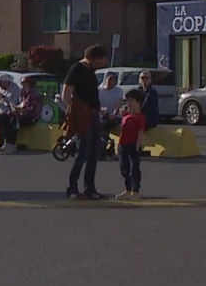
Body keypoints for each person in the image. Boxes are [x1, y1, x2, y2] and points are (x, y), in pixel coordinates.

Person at [62, 43, 110, 199]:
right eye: (98, 63)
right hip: (84, 116)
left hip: (95, 114)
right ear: (90, 58)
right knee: (82, 152)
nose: (100, 66)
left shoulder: (91, 72)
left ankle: (90, 188)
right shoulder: (76, 70)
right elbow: (66, 95)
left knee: (93, 154)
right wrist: (76, 110)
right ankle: (72, 188)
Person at [115, 88, 147, 200]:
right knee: (124, 168)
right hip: (122, 145)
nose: (129, 103)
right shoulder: (126, 115)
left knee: (134, 168)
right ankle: (128, 189)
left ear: (138, 102)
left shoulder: (140, 117)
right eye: (127, 100)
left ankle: (135, 190)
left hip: (133, 145)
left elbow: (140, 133)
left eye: (131, 100)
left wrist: (137, 147)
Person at [0, 74, 22, 152]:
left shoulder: (16, 90)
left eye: (0, 83)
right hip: (2, 111)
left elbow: (13, 104)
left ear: (6, 82)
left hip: (13, 112)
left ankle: (9, 143)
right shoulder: (2, 90)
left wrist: (3, 97)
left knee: (2, 119)